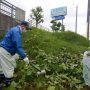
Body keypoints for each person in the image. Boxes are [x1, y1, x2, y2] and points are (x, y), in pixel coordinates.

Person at [0, 21, 30, 88]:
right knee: (9, 69)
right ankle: (7, 85)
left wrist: (21, 54)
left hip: (3, 50)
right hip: (5, 51)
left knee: (2, 69)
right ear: (23, 26)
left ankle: (1, 82)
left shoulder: (15, 30)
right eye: (27, 28)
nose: (27, 30)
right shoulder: (16, 32)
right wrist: (24, 57)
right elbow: (18, 46)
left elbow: (14, 44)